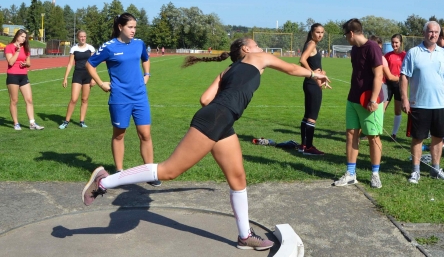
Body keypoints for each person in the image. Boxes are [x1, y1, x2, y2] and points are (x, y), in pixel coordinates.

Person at [81, 38, 329, 251]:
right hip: (217, 118)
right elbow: (291, 69)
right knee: (168, 171)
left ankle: (245, 236)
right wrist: (314, 73)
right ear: (245, 49)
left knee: (238, 178)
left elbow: (205, 99)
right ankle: (104, 180)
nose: (259, 46)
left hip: (222, 121)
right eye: (255, 44)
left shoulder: (228, 71)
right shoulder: (259, 58)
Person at [86, 13, 160, 186]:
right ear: (120, 27)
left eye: (135, 27)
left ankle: (149, 173)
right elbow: (90, 64)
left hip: (140, 96)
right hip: (120, 98)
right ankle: (119, 173)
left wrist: (147, 74)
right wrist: (100, 83)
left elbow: (146, 59)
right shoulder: (109, 47)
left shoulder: (139, 44)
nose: (133, 30)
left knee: (145, 134)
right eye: (130, 27)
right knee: (119, 134)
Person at [333, 19, 385, 189]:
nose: (346, 39)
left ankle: (375, 174)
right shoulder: (354, 50)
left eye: (346, 35)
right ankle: (350, 174)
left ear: (352, 33)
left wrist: (372, 100)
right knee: (350, 134)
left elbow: (378, 75)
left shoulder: (373, 48)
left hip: (371, 101)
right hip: (353, 98)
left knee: (373, 136)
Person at [401, 21, 444, 184]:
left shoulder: (443, 53)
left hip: (440, 105)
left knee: (438, 138)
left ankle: (435, 169)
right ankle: (415, 171)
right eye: (431, 32)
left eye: (436, 32)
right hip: (419, 104)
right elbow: (404, 76)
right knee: (418, 138)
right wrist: (404, 98)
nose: (434, 35)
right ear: (424, 33)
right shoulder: (414, 52)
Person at [298, 23, 331, 155]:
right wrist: (314, 73)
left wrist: (321, 73)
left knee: (307, 116)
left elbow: (312, 62)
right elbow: (302, 59)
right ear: (312, 32)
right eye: (317, 32)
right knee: (312, 117)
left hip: (310, 83)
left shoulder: (310, 43)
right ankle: (309, 147)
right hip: (312, 84)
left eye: (322, 32)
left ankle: (303, 146)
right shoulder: (311, 44)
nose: (320, 35)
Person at [5, 29, 44, 130]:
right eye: (22, 36)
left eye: (25, 37)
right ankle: (16, 123)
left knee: (29, 100)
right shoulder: (9, 47)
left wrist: (26, 64)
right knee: (14, 100)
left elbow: (29, 63)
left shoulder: (26, 48)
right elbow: (10, 62)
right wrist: (17, 51)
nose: (24, 39)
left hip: (23, 76)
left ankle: (32, 123)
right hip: (13, 75)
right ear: (17, 36)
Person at [60, 30, 96, 129]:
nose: (83, 38)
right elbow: (70, 64)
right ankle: (66, 121)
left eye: (84, 36)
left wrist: (94, 78)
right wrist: (65, 78)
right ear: (78, 37)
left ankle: (82, 121)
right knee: (74, 99)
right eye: (81, 36)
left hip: (88, 75)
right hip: (77, 75)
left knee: (84, 99)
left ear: (86, 37)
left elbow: (94, 64)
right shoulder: (74, 48)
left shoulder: (90, 48)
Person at [384, 34, 406, 139]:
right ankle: (375, 132)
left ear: (400, 43)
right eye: (392, 42)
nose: (394, 44)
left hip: (399, 85)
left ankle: (394, 134)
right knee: (381, 109)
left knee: (397, 110)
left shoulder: (405, 56)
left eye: (396, 42)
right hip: (387, 84)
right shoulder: (387, 56)